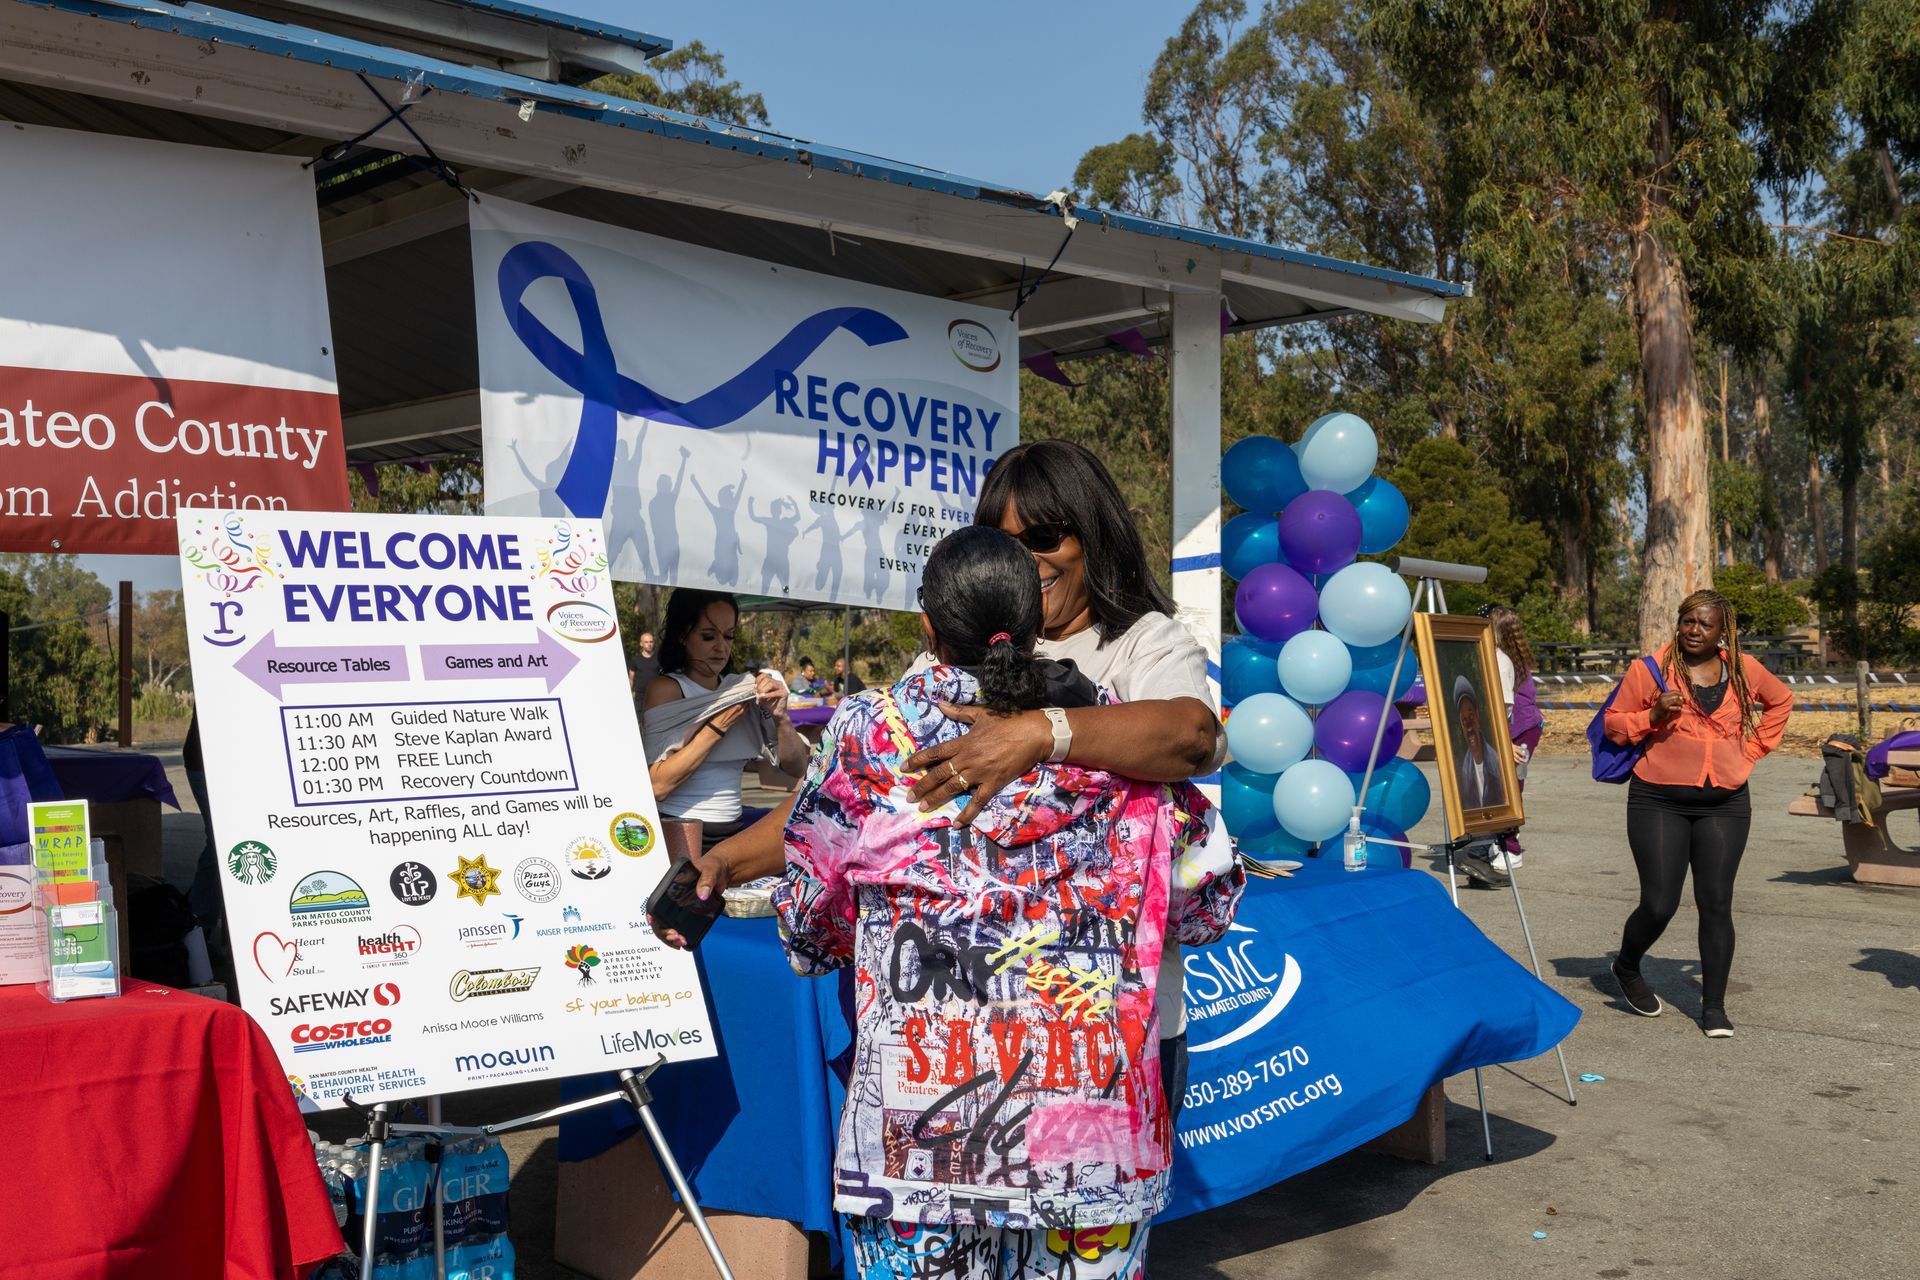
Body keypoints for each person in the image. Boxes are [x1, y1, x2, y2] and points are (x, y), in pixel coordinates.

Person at [654, 439, 1226, 1118]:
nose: (1028, 559)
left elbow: (1193, 736)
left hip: (1102, 1035)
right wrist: (725, 863)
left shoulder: (1142, 643)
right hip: (951, 1036)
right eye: (1006, 542)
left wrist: (1040, 733)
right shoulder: (946, 661)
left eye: (1045, 536)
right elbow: (854, 799)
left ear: (1092, 534)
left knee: (1089, 1188)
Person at [774, 526, 1243, 1277]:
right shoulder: (1113, 735)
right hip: (1092, 1143)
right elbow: (1207, 899)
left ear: (929, 625)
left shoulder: (870, 735)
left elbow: (809, 915)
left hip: (918, 1139)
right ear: (1032, 623)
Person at [1602, 589, 1792, 1039]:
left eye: (1706, 624)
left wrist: (1752, 749)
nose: (1694, 630)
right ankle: (1626, 966)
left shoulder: (1743, 669)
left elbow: (1781, 700)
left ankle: (1713, 1006)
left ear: (1723, 632)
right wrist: (1651, 715)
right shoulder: (1650, 669)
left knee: (1717, 902)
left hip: (1726, 802)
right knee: (1659, 904)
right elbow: (1613, 723)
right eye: (1688, 621)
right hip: (1658, 800)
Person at [641, 590, 810, 848]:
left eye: (729, 636)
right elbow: (658, 785)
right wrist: (719, 725)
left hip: (732, 831)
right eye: (708, 636)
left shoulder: (741, 689)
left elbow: (797, 768)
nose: (721, 647)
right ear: (683, 635)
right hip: (681, 832)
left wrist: (781, 718)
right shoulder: (668, 689)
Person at [1484, 604, 1543, 869]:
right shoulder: (1505, 658)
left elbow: (1503, 709)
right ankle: (1503, 837)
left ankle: (1511, 848)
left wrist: (1505, 744)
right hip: (1516, 728)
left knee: (1511, 785)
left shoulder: (1503, 661)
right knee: (1502, 784)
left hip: (1520, 730)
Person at [1453, 676, 1506, 809]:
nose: (1469, 727)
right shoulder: (1465, 769)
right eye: (1464, 720)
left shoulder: (1496, 761)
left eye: (1471, 717)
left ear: (1478, 716)